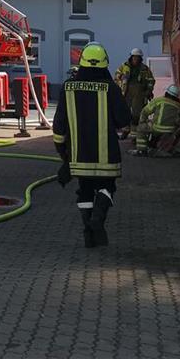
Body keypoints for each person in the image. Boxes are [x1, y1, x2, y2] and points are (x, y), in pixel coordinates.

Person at [53, 42, 132, 248]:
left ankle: (88, 231)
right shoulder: (111, 89)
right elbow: (124, 120)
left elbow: (59, 125)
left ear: (82, 62)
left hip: (79, 157)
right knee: (107, 188)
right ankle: (98, 219)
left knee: (85, 191)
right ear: (105, 64)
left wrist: (62, 153)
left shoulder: (67, 88)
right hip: (107, 157)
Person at [132, 84, 180, 155]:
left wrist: (143, 121)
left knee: (141, 128)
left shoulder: (159, 100)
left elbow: (145, 111)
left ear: (167, 93)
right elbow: (179, 117)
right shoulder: (178, 105)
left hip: (156, 128)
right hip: (170, 130)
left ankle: (142, 150)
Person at [115, 48, 155, 125]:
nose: (136, 59)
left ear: (140, 58)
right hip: (126, 91)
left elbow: (151, 80)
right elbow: (116, 78)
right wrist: (121, 86)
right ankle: (126, 129)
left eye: (138, 57)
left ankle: (135, 129)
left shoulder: (145, 69)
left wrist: (149, 90)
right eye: (134, 57)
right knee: (125, 111)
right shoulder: (124, 66)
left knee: (137, 112)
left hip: (140, 93)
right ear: (131, 57)